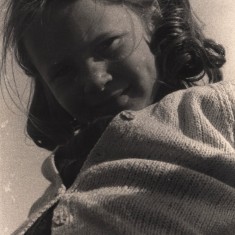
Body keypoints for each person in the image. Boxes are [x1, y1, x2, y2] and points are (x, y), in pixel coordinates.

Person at [1, 0, 235, 234]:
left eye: (108, 46)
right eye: (63, 71)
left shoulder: (211, 108)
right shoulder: (58, 183)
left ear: (154, 19)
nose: (95, 79)